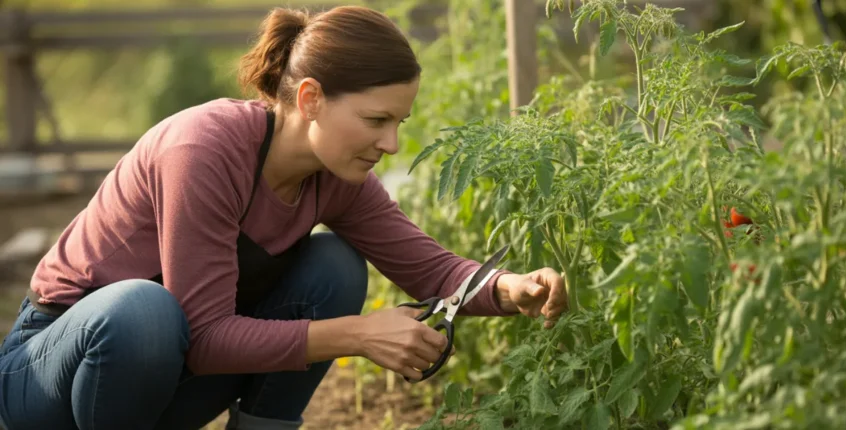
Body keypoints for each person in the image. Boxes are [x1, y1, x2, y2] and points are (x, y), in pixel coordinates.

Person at [0, 5, 569, 430]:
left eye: (399, 122)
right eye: (376, 120)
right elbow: (201, 337)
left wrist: (509, 286)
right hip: (53, 374)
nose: (391, 143)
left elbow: (431, 268)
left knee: (334, 267)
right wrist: (359, 335)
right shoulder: (203, 150)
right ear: (310, 98)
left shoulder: (337, 178)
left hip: (162, 385)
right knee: (143, 312)